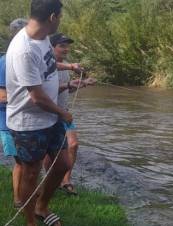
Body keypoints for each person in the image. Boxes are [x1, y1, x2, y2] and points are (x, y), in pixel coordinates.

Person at [6, 1, 69, 226]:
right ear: (52, 17)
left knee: (62, 164)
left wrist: (70, 68)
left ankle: (42, 207)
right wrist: (64, 113)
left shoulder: (42, 37)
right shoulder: (24, 49)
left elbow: (48, 65)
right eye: (60, 16)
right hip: (29, 122)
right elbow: (37, 98)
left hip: (50, 118)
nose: (60, 19)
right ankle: (30, 220)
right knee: (31, 173)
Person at [44, 33, 96, 195]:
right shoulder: (46, 65)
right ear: (51, 47)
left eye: (67, 46)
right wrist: (67, 84)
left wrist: (82, 84)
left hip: (64, 112)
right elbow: (47, 91)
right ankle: (51, 179)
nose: (66, 49)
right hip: (49, 112)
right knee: (50, 151)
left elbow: (67, 90)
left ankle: (66, 181)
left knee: (73, 145)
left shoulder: (66, 66)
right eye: (62, 46)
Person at [0, 18, 28, 209]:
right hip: (8, 122)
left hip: (24, 119)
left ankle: (26, 195)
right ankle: (19, 200)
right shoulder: (6, 61)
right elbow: (2, 96)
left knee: (28, 161)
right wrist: (32, 99)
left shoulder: (23, 57)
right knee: (21, 161)